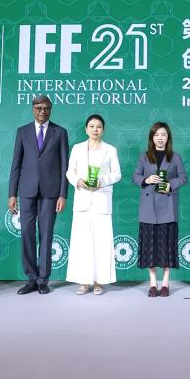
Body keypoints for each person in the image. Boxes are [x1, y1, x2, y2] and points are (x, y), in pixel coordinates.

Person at [8, 95, 69, 295]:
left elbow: (65, 167)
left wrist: (63, 194)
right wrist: (12, 194)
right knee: (26, 234)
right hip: (27, 191)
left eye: (46, 108)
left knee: (46, 235)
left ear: (51, 109)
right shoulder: (22, 132)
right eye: (38, 108)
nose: (42, 111)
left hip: (51, 192)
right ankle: (31, 279)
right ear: (33, 109)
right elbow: (16, 165)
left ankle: (43, 279)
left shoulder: (60, 132)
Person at [65, 114, 121, 295]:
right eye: (91, 126)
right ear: (86, 129)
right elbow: (69, 172)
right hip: (82, 201)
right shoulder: (77, 148)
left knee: (102, 243)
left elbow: (117, 174)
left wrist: (101, 181)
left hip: (101, 200)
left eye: (98, 126)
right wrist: (77, 180)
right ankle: (83, 281)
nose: (95, 129)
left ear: (103, 130)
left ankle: (99, 281)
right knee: (81, 242)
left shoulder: (110, 150)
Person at [132, 122, 188, 298]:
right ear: (152, 138)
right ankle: (152, 283)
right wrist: (147, 180)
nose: (160, 138)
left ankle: (165, 283)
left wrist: (170, 184)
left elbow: (183, 177)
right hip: (148, 207)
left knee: (166, 246)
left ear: (168, 137)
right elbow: (135, 176)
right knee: (150, 247)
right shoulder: (144, 157)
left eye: (163, 134)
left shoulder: (176, 157)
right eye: (156, 135)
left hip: (167, 206)